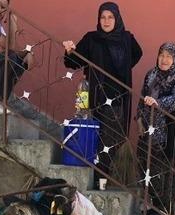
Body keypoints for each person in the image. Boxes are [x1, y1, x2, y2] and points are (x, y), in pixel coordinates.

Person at [63, 2, 143, 188]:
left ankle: (103, 181)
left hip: (117, 98)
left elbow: (138, 54)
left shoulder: (126, 38)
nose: (106, 21)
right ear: (98, 19)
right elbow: (73, 62)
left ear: (117, 18)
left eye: (110, 17)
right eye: (103, 17)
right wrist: (69, 51)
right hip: (95, 97)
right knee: (95, 138)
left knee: (111, 140)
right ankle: (96, 180)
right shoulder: (92, 38)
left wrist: (123, 70)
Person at [136, 42, 175, 215]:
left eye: (169, 56)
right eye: (162, 55)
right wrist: (138, 119)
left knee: (170, 170)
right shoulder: (151, 74)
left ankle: (165, 208)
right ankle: (154, 202)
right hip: (149, 130)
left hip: (171, 131)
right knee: (146, 165)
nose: (164, 59)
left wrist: (157, 103)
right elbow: (142, 97)